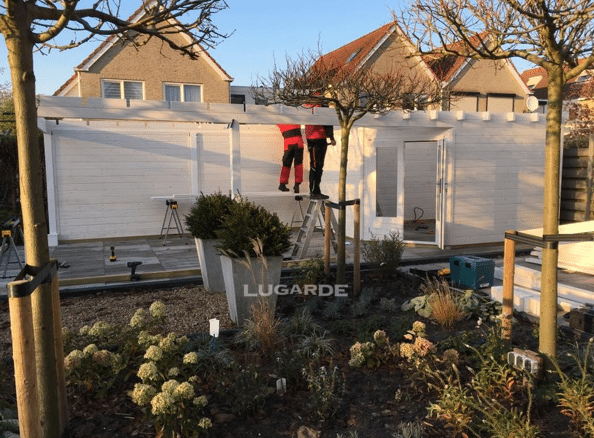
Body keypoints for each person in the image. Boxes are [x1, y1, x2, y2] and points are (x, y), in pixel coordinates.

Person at [305, 125, 336, 199]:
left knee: (316, 166)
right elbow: (328, 123)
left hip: (312, 138)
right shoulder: (323, 114)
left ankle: (315, 190)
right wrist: (332, 138)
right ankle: (314, 191)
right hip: (318, 139)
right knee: (316, 166)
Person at [277, 124, 304, 193]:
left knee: (286, 164)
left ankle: (282, 184)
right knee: (298, 164)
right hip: (298, 141)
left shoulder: (280, 121)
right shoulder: (295, 118)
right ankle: (297, 184)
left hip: (287, 143)